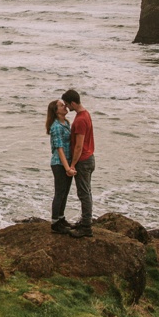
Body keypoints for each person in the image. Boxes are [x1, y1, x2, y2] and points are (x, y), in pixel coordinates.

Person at [62, 89, 95, 238]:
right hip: (89, 158)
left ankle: (86, 226)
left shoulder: (81, 119)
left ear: (73, 103)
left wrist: (73, 164)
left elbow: (79, 146)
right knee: (86, 191)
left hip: (83, 160)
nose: (67, 108)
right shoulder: (85, 114)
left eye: (68, 105)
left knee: (84, 193)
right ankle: (85, 221)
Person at [45, 99, 76, 234]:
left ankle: (61, 217)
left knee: (65, 192)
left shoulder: (66, 123)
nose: (65, 106)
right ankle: (55, 222)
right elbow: (59, 148)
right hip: (59, 163)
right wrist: (67, 168)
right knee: (59, 193)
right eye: (62, 105)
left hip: (66, 163)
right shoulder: (56, 126)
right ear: (56, 111)